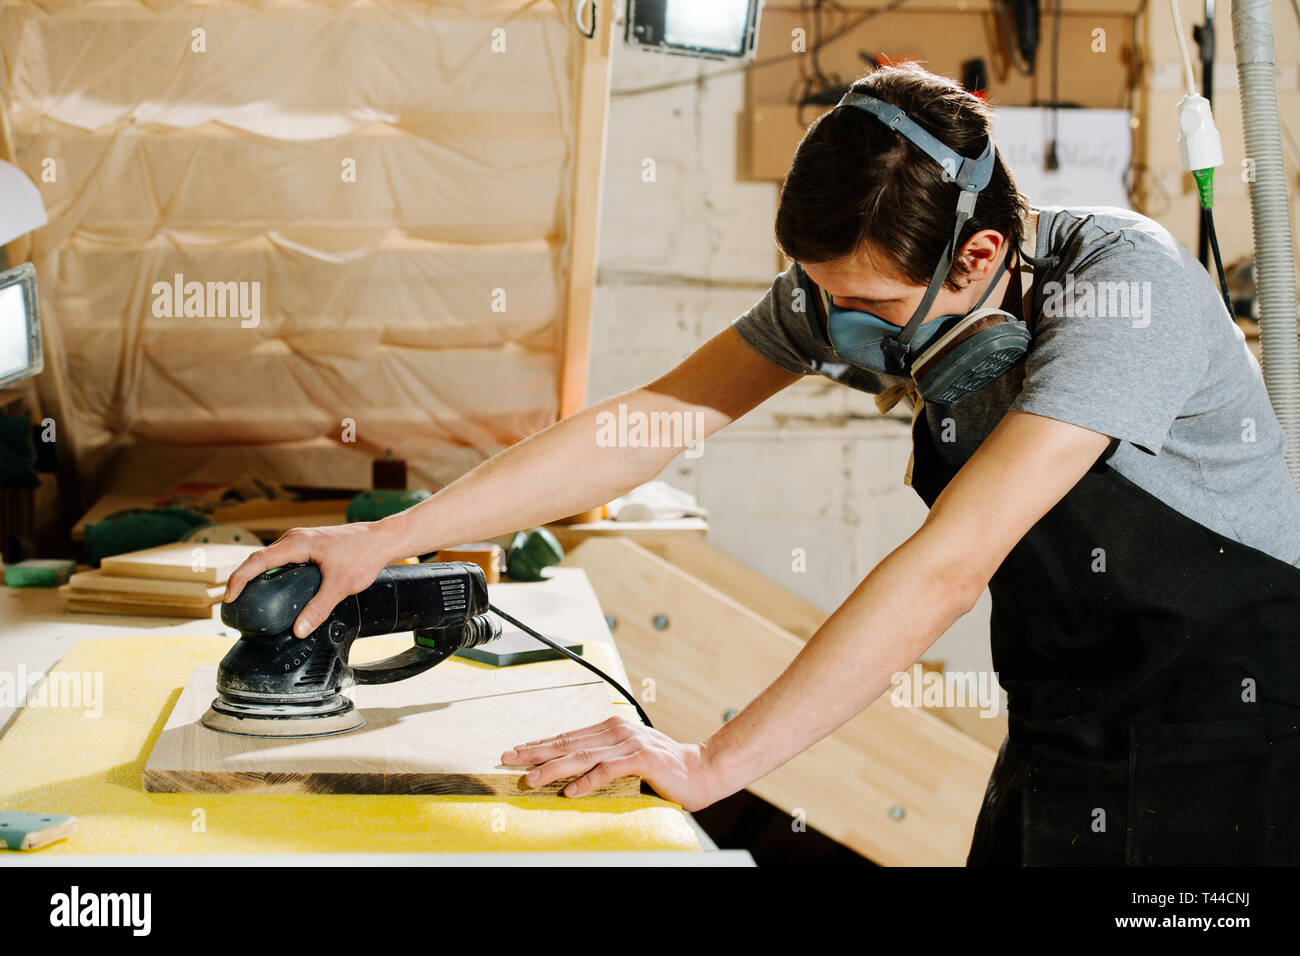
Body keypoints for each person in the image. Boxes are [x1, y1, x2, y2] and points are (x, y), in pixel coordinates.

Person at [224, 64, 1300, 865]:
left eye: (868, 309)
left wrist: (707, 761)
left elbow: (951, 562)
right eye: (820, 294)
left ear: (977, 256)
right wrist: (385, 539)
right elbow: (647, 421)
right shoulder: (854, 289)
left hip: (1237, 728)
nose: (834, 329)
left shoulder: (1125, 293)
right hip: (1065, 721)